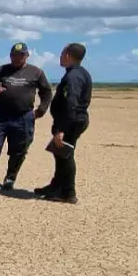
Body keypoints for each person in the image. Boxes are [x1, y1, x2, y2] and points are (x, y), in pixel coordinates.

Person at [0, 42, 53, 192]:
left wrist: (40, 110)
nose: (17, 58)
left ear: (27, 56)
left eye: (21, 55)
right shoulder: (1, 70)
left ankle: (10, 179)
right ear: (10, 56)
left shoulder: (36, 72)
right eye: (14, 55)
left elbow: (46, 92)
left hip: (23, 117)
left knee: (19, 150)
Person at [37, 43, 92, 203]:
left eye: (62, 54)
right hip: (72, 119)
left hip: (71, 121)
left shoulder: (73, 76)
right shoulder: (79, 73)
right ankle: (56, 186)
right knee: (60, 154)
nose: (60, 57)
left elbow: (71, 103)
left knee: (65, 155)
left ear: (68, 55)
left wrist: (62, 129)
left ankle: (68, 192)